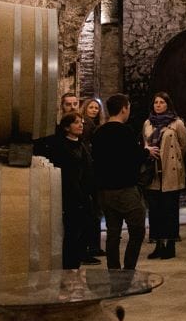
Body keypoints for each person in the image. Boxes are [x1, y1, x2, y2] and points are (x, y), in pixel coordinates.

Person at [90, 93, 148, 270]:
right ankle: (128, 269)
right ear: (124, 108)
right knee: (137, 229)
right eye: (128, 107)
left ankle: (114, 271)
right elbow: (134, 158)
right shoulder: (125, 131)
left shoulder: (98, 132)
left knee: (113, 233)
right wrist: (145, 152)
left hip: (105, 191)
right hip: (125, 189)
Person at [39, 112, 99, 268]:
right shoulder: (61, 147)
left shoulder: (82, 145)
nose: (80, 125)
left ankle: (75, 262)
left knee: (86, 229)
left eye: (82, 122)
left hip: (84, 195)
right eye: (76, 122)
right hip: (69, 195)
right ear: (66, 127)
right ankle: (69, 266)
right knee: (72, 232)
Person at [142, 91, 186, 260]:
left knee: (170, 210)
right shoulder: (148, 123)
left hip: (170, 171)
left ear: (168, 104)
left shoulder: (177, 123)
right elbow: (144, 143)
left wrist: (171, 158)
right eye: (156, 102)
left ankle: (170, 245)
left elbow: (184, 145)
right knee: (155, 210)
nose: (158, 105)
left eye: (162, 102)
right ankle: (158, 244)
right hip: (153, 171)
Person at [79, 96, 106, 258]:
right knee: (93, 209)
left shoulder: (96, 125)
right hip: (90, 170)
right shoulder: (87, 125)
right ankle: (92, 246)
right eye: (91, 107)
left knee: (96, 209)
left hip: (94, 170)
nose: (94, 110)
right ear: (85, 108)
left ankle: (94, 245)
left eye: (96, 108)